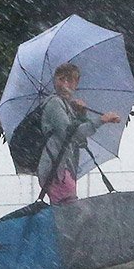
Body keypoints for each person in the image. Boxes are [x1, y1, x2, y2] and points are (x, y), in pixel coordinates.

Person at [36, 63, 121, 204]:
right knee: (69, 212)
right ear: (54, 81)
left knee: (67, 212)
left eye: (69, 80)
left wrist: (81, 114)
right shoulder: (55, 103)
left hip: (63, 169)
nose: (64, 84)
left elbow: (80, 141)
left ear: (76, 83)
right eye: (61, 79)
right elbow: (71, 133)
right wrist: (101, 120)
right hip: (56, 170)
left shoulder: (65, 105)